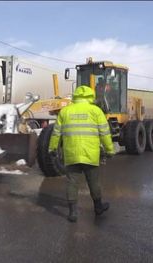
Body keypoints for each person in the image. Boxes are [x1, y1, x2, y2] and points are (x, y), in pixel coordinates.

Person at [48, 85, 115, 222]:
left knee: (72, 182)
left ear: (75, 96)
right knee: (94, 182)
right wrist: (109, 150)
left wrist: (52, 149)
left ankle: (73, 213)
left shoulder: (65, 112)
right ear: (91, 96)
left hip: (71, 154)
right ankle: (98, 207)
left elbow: (56, 133)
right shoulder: (96, 111)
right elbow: (104, 133)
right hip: (90, 155)